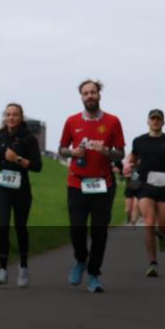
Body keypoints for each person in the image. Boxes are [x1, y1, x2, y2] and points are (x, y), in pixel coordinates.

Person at [58, 79, 125, 293]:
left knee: (99, 232)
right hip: (77, 183)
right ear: (81, 97)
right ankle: (80, 260)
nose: (90, 96)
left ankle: (94, 274)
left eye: (93, 92)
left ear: (99, 95)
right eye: (85, 93)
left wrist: (106, 151)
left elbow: (121, 153)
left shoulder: (113, 121)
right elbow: (61, 149)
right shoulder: (71, 121)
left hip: (103, 184)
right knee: (77, 228)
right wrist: (73, 152)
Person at [0, 103, 43, 287]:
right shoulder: (0, 135)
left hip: (21, 188)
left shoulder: (28, 139)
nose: (11, 118)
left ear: (21, 117)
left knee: (20, 227)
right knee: (3, 225)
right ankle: (2, 269)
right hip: (2, 186)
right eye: (8, 114)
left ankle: (23, 267)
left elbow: (37, 166)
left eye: (15, 115)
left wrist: (17, 159)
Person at [125, 109, 165, 278]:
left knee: (163, 224)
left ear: (163, 122)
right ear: (148, 121)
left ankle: (162, 234)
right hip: (145, 186)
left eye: (159, 119)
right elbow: (133, 158)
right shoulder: (139, 141)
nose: (156, 121)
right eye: (153, 119)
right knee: (149, 222)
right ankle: (152, 262)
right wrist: (129, 165)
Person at [121, 154, 141, 227]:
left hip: (139, 189)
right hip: (129, 188)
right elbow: (122, 175)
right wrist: (125, 175)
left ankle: (133, 223)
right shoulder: (129, 166)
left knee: (135, 207)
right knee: (128, 209)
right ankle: (128, 216)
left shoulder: (143, 167)